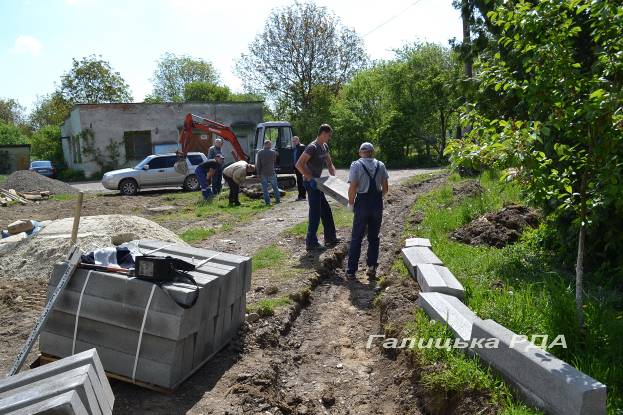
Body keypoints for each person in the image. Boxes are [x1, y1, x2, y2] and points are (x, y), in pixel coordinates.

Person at [345, 142, 389, 280]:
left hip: (362, 203)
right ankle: (371, 267)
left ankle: (351, 270)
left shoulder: (356, 165)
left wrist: (351, 203)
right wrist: (377, 199)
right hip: (376, 203)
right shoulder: (380, 165)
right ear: (372, 152)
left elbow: (353, 187)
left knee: (356, 237)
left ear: (360, 153)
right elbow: (386, 187)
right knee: (373, 237)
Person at [295, 124, 339, 251]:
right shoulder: (312, 147)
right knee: (315, 212)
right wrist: (310, 177)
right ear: (323, 134)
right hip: (311, 183)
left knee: (325, 210)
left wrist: (331, 170)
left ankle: (330, 237)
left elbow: (328, 161)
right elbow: (299, 164)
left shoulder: (324, 146)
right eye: (328, 135)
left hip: (318, 183)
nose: (329, 138)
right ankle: (311, 242)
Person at [255, 139, 281, 206]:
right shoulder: (273, 152)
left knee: (265, 188)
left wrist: (258, 173)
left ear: (264, 145)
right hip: (271, 171)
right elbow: (275, 160)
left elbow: (258, 164)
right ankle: (278, 200)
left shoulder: (260, 152)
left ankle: (267, 202)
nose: (271, 145)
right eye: (270, 144)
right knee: (275, 187)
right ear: (269, 145)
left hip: (263, 173)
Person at [292, 136, 307, 201]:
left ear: (298, 140)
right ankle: (301, 195)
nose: (294, 142)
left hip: (301, 166)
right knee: (299, 181)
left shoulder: (301, 147)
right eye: (293, 141)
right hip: (296, 167)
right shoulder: (294, 148)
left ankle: (302, 196)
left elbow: (305, 157)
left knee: (301, 181)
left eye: (295, 141)